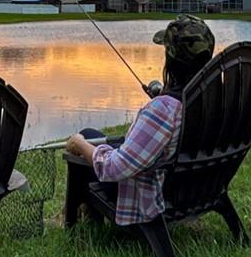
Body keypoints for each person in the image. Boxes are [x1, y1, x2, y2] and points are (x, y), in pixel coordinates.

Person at [63, 13, 215, 227]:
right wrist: (162, 94)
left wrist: (78, 144)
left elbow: (115, 168)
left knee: (85, 139)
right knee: (94, 136)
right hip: (191, 187)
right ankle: (87, 214)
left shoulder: (165, 110)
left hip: (153, 193)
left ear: (171, 57)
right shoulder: (211, 97)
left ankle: (73, 219)